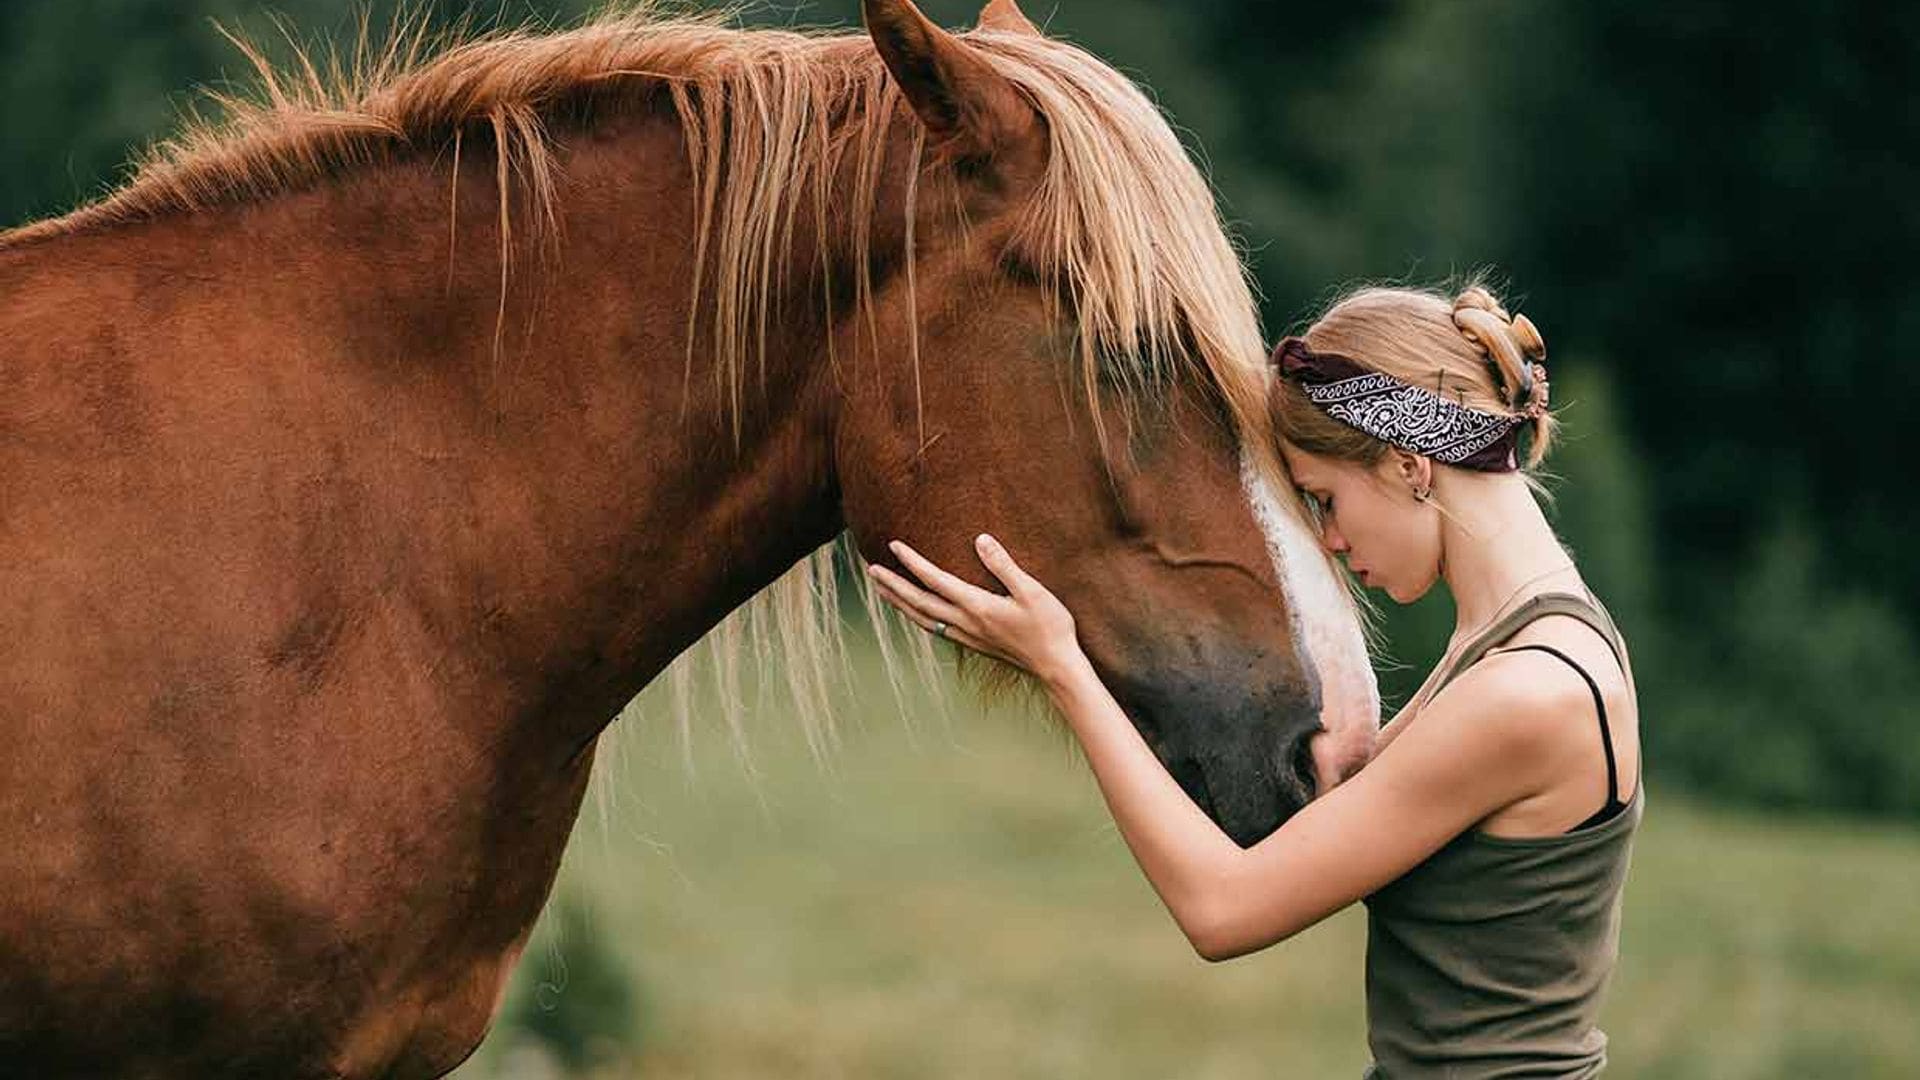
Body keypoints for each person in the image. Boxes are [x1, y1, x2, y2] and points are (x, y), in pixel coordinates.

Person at [866, 282, 1642, 1078]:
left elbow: (1222, 909)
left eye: (1324, 500)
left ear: (1411, 464)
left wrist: (1063, 666)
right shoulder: (1532, 640)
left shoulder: (1524, 694)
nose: (1331, 539)